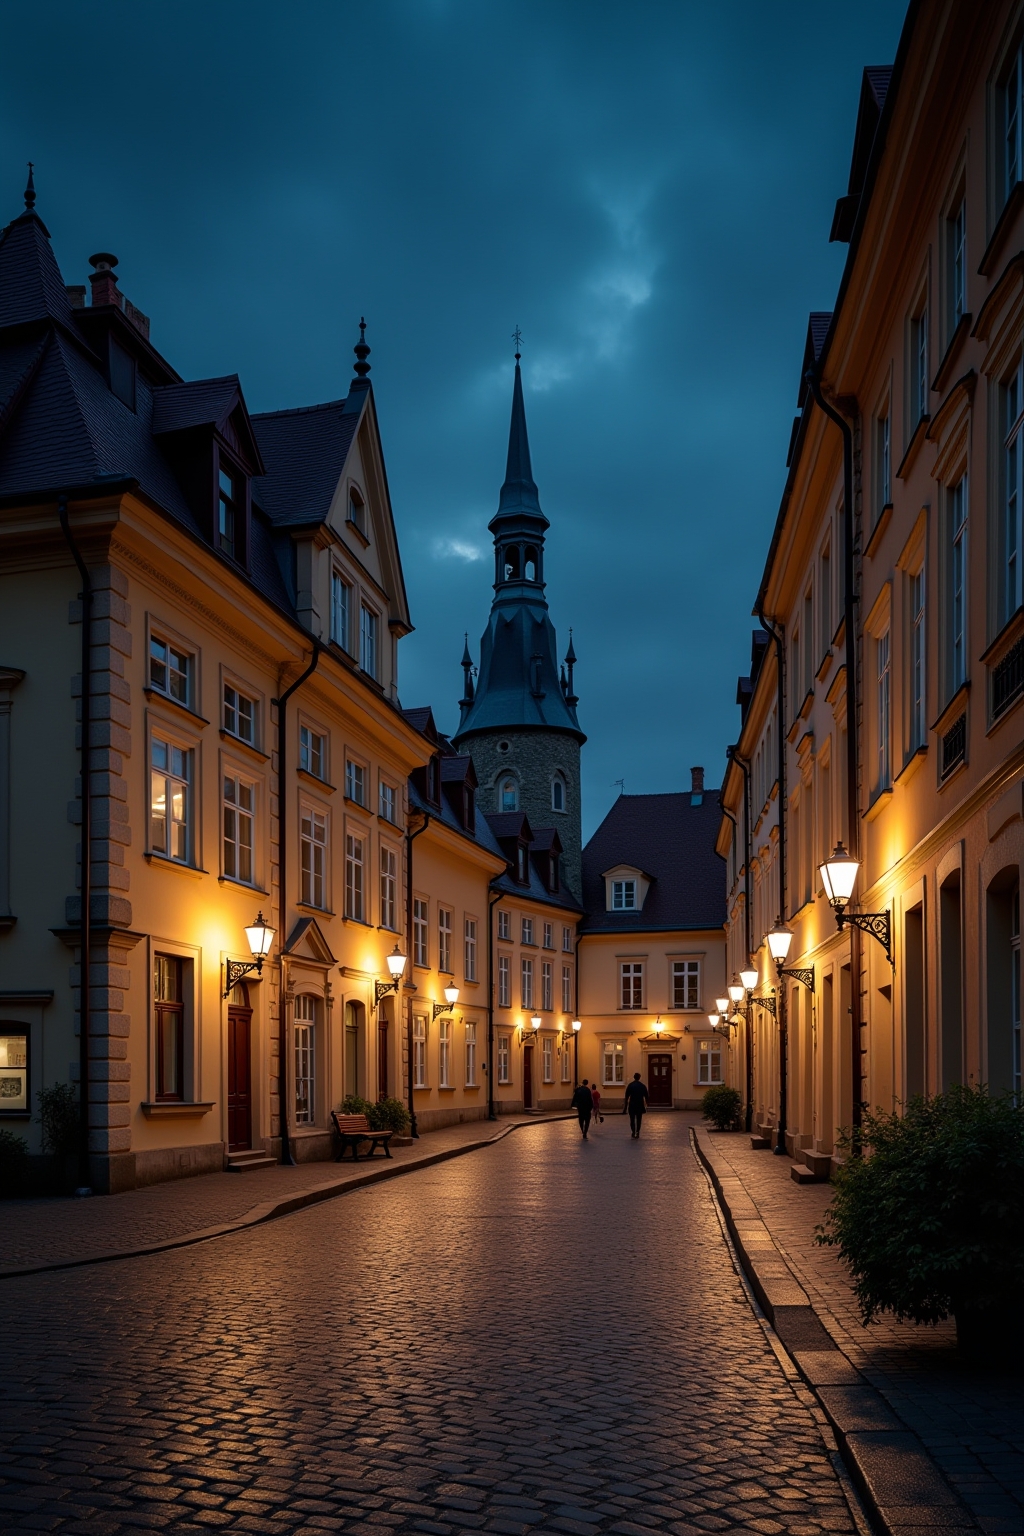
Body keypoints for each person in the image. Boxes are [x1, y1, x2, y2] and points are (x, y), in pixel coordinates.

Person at [623, 1072, 649, 1138]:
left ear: (634, 1077)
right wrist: (647, 1104)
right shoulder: (642, 1086)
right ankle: (637, 1132)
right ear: (639, 1078)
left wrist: (625, 1107)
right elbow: (646, 1096)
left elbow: (626, 1096)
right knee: (639, 1119)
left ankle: (633, 1131)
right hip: (640, 1104)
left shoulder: (630, 1085)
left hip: (632, 1104)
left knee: (632, 1119)